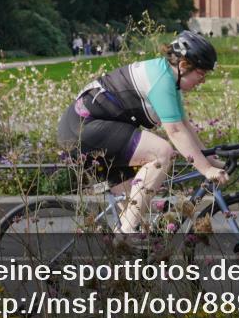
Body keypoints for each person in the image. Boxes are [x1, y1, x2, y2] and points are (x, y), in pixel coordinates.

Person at [57, 31, 227, 234]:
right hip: (83, 131)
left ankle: (123, 253)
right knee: (161, 153)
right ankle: (124, 236)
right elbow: (175, 132)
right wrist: (205, 170)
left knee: (136, 213)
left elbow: (184, 127)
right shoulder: (161, 80)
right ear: (182, 66)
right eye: (201, 74)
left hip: (94, 132)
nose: (203, 81)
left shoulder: (167, 77)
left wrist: (213, 162)